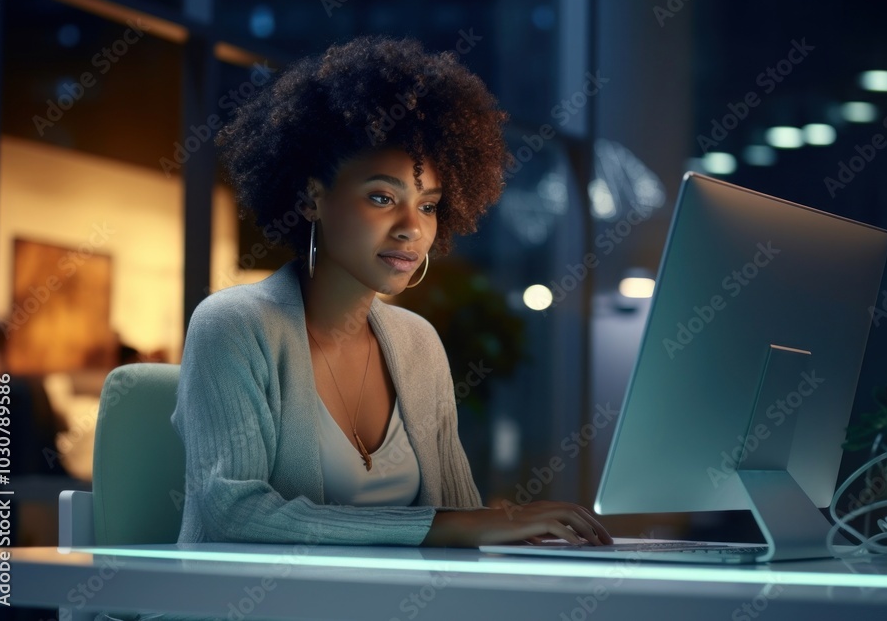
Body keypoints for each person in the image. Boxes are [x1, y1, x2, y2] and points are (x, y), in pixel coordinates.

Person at [173, 35, 612, 548]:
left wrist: (525, 534)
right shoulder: (233, 324)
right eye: (382, 197)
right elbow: (235, 513)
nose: (412, 228)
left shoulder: (418, 343)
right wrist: (453, 527)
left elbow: (463, 518)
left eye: (428, 205)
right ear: (313, 198)